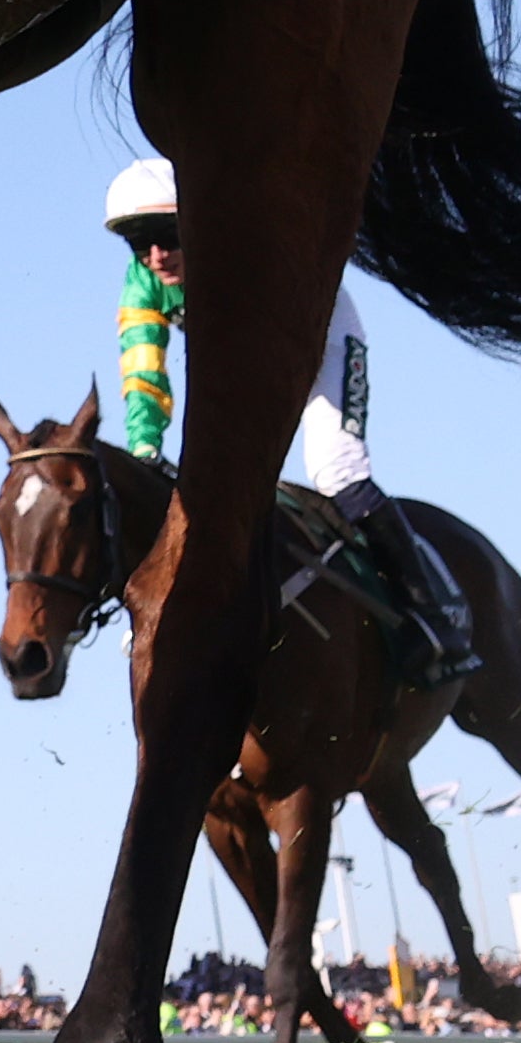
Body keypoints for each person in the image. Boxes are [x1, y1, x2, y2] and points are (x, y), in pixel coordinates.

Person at [104, 156, 475, 689]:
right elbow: (143, 370)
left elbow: (274, 361)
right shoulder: (143, 283)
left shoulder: (247, 253)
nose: (156, 256)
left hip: (319, 340)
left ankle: (434, 617)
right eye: (139, 244)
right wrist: (144, 446)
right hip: (252, 362)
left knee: (335, 471)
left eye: (166, 235)